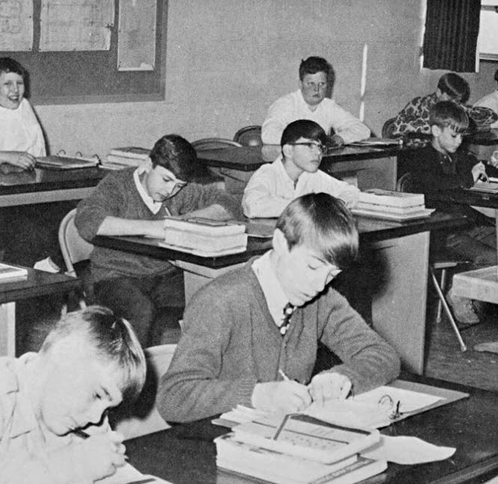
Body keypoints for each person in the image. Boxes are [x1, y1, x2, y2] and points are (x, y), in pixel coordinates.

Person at [157, 193, 401, 422]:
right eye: (313, 267)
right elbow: (173, 397)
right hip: (220, 443)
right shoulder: (221, 301)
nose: (319, 285)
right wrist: (256, 395)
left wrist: (341, 377)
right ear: (281, 243)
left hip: (283, 436)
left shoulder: (320, 299)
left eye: (332, 275)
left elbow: (382, 355)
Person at [75, 134, 241, 347]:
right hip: (114, 275)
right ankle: (134, 376)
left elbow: (229, 204)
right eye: (165, 180)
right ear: (147, 165)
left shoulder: (178, 190)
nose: (170, 190)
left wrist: (183, 221)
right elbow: (87, 221)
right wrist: (157, 228)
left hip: (164, 275)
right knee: (141, 311)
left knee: (217, 298)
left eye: (178, 185)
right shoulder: (118, 184)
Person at [0, 306, 146, 483]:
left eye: (108, 408)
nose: (96, 417)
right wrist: (77, 466)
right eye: (97, 395)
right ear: (64, 353)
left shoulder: (81, 419)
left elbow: (117, 476)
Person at [403, 101, 498, 323]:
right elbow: (437, 183)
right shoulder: (420, 158)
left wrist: (491, 164)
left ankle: (470, 294)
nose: (459, 142)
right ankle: (460, 291)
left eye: (462, 137)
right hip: (442, 232)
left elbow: (475, 165)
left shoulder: (459, 154)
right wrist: (468, 178)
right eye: (454, 136)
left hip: (468, 224)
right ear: (436, 131)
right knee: (492, 257)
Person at [0, 57, 72, 272]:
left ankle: (49, 266)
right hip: (5, 204)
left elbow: (37, 152)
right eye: (7, 84)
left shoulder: (24, 107)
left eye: (19, 84)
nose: (15, 91)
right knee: (31, 232)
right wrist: (5, 155)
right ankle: (19, 287)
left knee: (72, 216)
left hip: (25, 194)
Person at [243, 119, 359, 218]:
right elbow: (252, 205)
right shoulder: (268, 172)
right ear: (288, 150)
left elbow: (351, 192)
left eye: (320, 147)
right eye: (309, 146)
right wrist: (308, 207)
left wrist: (338, 203)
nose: (318, 152)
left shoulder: (311, 174)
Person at [261, 56, 370, 146]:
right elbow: (268, 134)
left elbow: (362, 129)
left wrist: (340, 138)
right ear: (300, 84)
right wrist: (305, 141)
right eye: (311, 84)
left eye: (321, 84)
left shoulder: (328, 106)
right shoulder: (285, 104)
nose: (316, 89)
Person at [386, 72, 497, 138]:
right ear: (439, 92)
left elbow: (491, 116)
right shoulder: (419, 104)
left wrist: (469, 113)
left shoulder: (456, 107)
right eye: (450, 99)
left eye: (457, 101)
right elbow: (397, 126)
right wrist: (436, 127)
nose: (453, 103)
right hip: (416, 154)